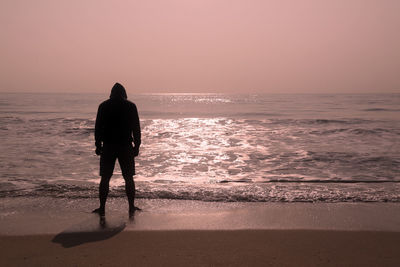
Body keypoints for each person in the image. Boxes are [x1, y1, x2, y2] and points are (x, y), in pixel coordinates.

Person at [92, 83, 141, 217]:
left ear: (111, 93)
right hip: (125, 146)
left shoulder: (103, 106)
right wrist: (137, 146)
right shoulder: (131, 106)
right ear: (124, 93)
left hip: (108, 146)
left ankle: (102, 208)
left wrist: (98, 145)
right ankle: (131, 206)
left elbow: (98, 127)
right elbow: (136, 128)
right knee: (128, 178)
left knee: (105, 178)